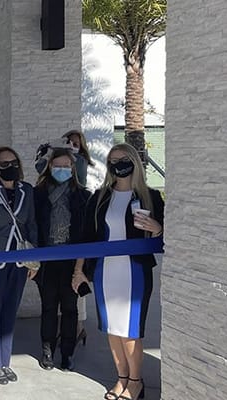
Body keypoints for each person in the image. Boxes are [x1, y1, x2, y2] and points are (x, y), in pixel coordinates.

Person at [72, 143, 163, 400]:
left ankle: (136, 382)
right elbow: (87, 238)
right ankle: (121, 378)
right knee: (113, 328)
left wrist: (156, 228)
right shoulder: (100, 197)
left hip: (135, 272)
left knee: (130, 329)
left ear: (134, 161)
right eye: (113, 160)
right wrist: (79, 271)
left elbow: (167, 232)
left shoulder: (150, 197)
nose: (118, 163)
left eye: (123, 159)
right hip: (104, 272)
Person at [0, 146, 38, 385]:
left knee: (10, 311)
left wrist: (35, 261)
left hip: (19, 260)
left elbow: (32, 224)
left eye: (12, 162)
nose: (9, 166)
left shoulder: (27, 190)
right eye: (3, 163)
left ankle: (5, 361)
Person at [33, 148, 92, 372]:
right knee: (48, 307)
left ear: (73, 169)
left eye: (66, 166)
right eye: (57, 166)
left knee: (70, 308)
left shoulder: (82, 196)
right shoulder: (38, 194)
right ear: (49, 167)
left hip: (71, 262)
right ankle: (47, 349)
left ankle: (67, 353)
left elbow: (87, 233)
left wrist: (81, 268)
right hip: (47, 261)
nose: (62, 170)